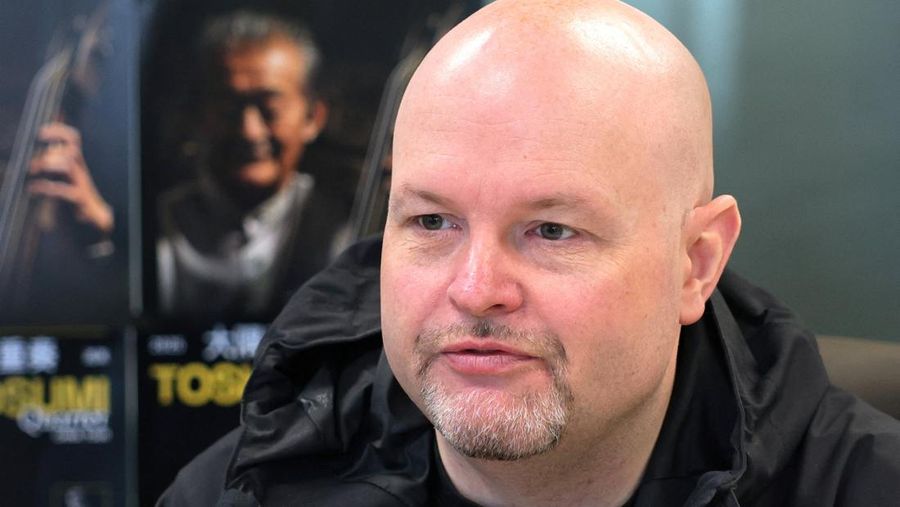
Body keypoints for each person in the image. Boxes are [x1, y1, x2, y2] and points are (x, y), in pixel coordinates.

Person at [159, 1, 900, 505]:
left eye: (551, 230)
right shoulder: (241, 489)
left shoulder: (861, 485)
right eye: (433, 221)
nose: (476, 287)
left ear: (695, 263)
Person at [156, 11, 345, 320]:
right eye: (228, 108)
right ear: (199, 114)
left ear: (313, 117)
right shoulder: (157, 226)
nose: (249, 131)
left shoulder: (344, 227)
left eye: (270, 109)